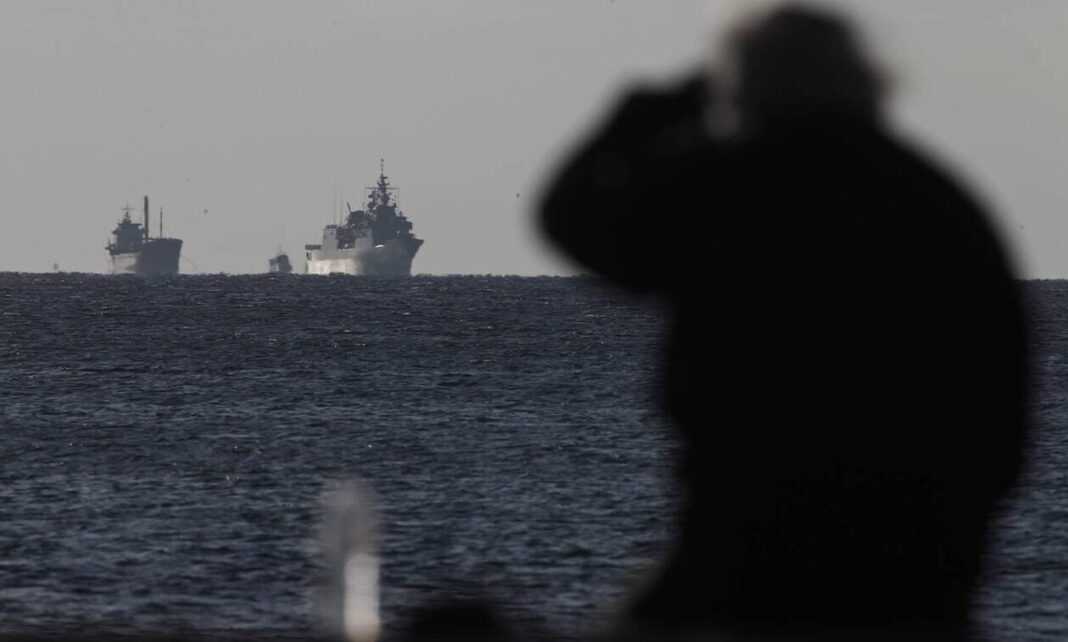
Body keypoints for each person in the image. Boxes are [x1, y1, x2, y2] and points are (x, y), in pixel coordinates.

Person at [538, 4, 1029, 640]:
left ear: (744, 88)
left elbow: (573, 219)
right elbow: (1006, 400)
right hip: (924, 564)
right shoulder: (945, 206)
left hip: (743, 550)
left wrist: (640, 117)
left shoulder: (733, 186)